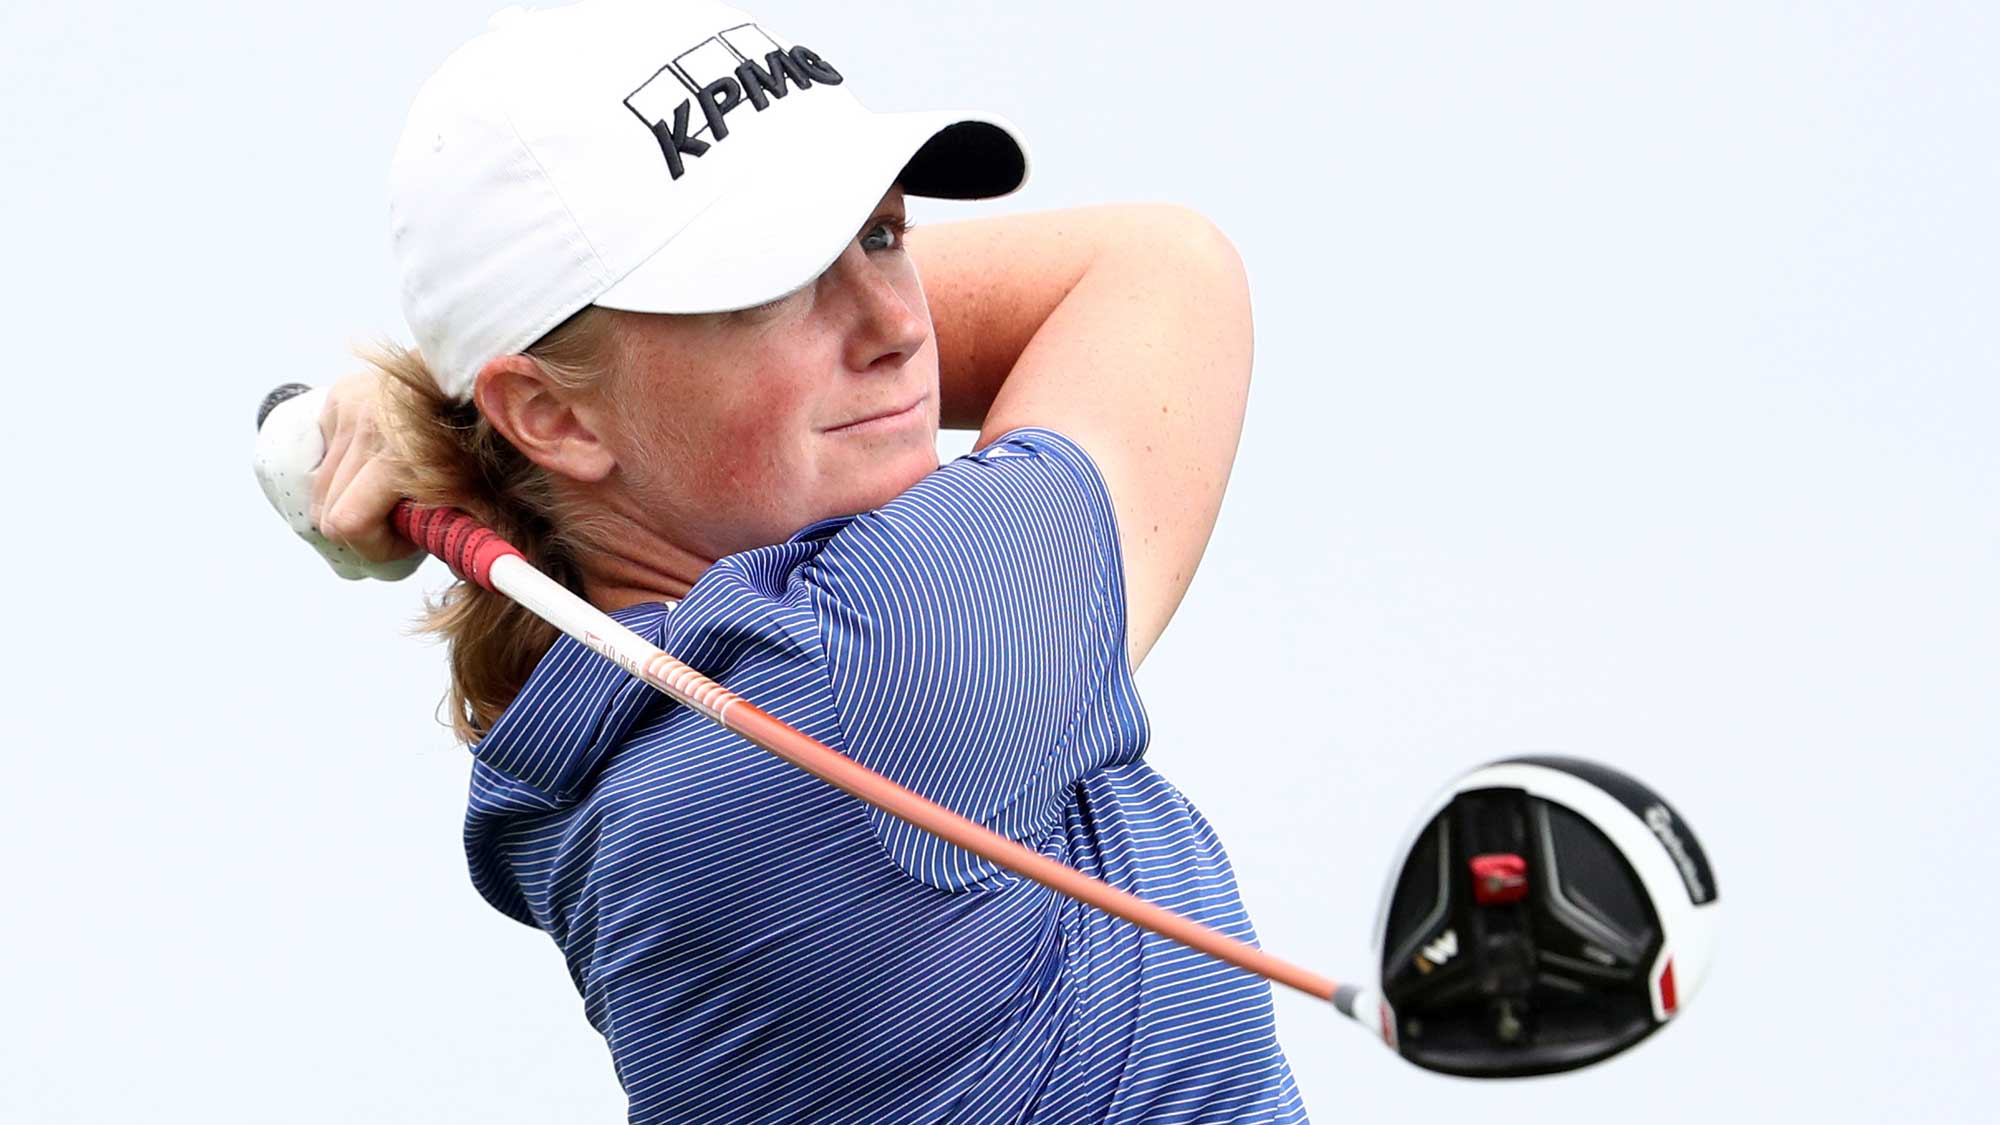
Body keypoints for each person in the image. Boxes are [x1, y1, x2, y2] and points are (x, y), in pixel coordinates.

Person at [309, 1, 1304, 1120]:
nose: (896, 325)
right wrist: (446, 412)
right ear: (553, 421)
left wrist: (457, 414)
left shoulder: (604, 751)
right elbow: (1157, 268)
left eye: (882, 235)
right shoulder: (868, 663)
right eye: (767, 282)